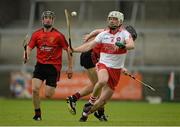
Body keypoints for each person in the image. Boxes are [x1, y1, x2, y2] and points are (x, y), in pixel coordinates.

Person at [69, 10, 135, 122]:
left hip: (116, 70)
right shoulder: (103, 34)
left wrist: (123, 46)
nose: (112, 21)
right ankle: (90, 101)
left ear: (120, 22)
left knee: (103, 101)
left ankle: (86, 113)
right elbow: (89, 45)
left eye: (115, 19)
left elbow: (131, 45)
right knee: (102, 81)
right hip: (103, 64)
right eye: (110, 19)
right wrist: (75, 50)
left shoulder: (125, 34)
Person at [23, 10, 73, 121]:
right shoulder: (36, 34)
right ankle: (37, 114)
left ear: (53, 20)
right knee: (35, 89)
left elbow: (69, 51)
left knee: (48, 95)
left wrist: (70, 68)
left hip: (53, 68)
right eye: (46, 17)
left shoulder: (59, 36)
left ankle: (49, 91)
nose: (48, 19)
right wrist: (26, 55)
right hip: (40, 66)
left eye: (50, 18)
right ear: (42, 20)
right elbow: (29, 47)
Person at [66, 31, 108, 121]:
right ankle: (100, 113)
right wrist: (90, 36)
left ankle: (73, 98)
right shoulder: (115, 31)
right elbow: (98, 32)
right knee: (99, 84)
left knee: (95, 85)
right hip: (90, 55)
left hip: (91, 55)